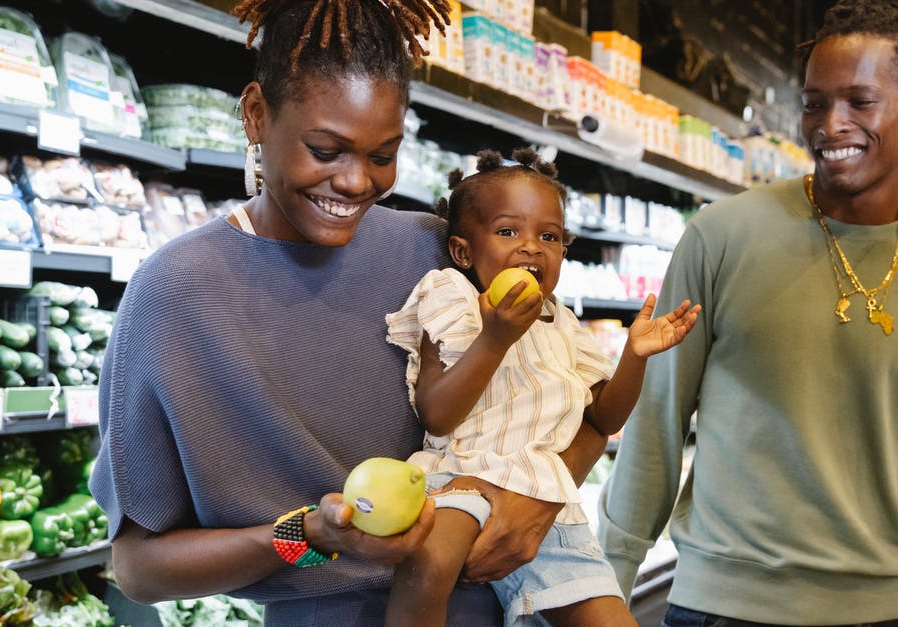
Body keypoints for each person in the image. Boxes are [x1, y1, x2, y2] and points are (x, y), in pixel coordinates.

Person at [89, 1, 609, 624]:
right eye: (326, 149)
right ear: (257, 114)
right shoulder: (175, 294)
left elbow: (572, 405)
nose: (357, 182)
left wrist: (539, 498)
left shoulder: (436, 251)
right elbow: (140, 568)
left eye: (382, 155)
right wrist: (308, 534)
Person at [597, 1, 898, 626]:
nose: (830, 124)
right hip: (717, 608)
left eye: (860, 102)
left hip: (877, 613)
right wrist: (599, 589)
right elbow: (655, 425)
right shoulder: (720, 238)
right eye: (815, 102)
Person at [382, 148, 699, 627]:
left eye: (548, 236)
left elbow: (604, 419)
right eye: (508, 231)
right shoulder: (452, 296)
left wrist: (634, 358)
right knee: (427, 565)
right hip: (461, 480)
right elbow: (436, 413)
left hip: (548, 499)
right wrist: (495, 338)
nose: (531, 246)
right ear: (464, 251)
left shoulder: (564, 324)